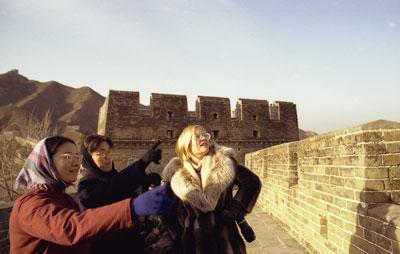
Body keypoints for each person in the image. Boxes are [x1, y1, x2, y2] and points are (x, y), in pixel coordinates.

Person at [9, 136, 173, 254]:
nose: (75, 162)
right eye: (67, 156)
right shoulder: (31, 203)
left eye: (76, 156)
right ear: (46, 162)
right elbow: (71, 227)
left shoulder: (63, 198)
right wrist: (131, 208)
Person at [159, 125, 261, 254]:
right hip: (192, 244)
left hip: (226, 240)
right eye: (197, 136)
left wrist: (235, 209)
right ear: (186, 144)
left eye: (205, 135)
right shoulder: (175, 174)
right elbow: (164, 208)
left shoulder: (225, 163)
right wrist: (177, 234)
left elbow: (252, 183)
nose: (204, 138)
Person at [77, 134, 162, 254]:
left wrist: (145, 184)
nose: (107, 157)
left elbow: (123, 188)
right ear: (88, 158)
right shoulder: (86, 185)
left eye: (108, 152)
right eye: (100, 153)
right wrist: (141, 164)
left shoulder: (115, 177)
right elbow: (111, 191)